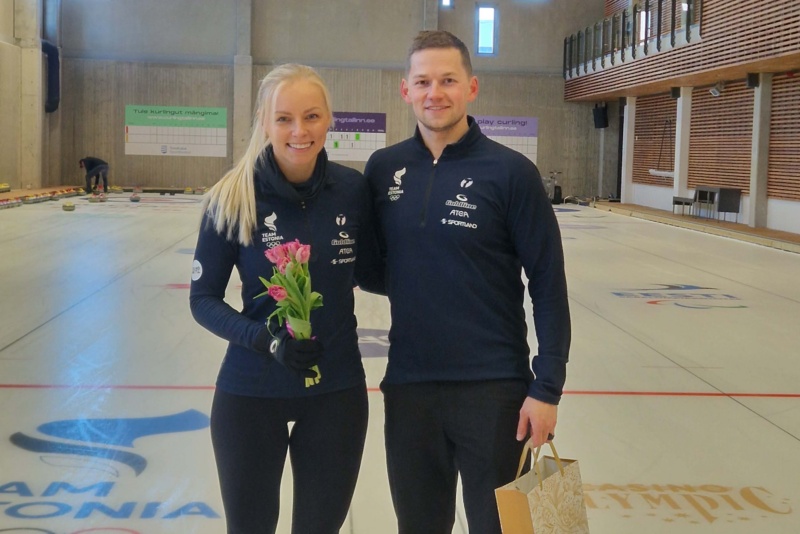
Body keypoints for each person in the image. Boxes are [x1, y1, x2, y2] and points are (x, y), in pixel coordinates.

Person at [364, 30, 571, 534]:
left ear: (472, 87)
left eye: (448, 80)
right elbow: (372, 267)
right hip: (410, 389)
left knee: (500, 528)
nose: (435, 92)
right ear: (405, 90)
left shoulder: (512, 173)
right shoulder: (384, 169)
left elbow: (547, 283)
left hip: (494, 393)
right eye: (423, 81)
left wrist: (547, 388)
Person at [190, 64, 382, 534]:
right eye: (284, 119)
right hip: (252, 392)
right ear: (264, 121)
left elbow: (375, 273)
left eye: (312, 116)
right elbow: (203, 299)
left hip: (335, 392)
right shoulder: (232, 197)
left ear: (329, 119)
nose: (300, 131)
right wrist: (266, 340)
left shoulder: (353, 191)